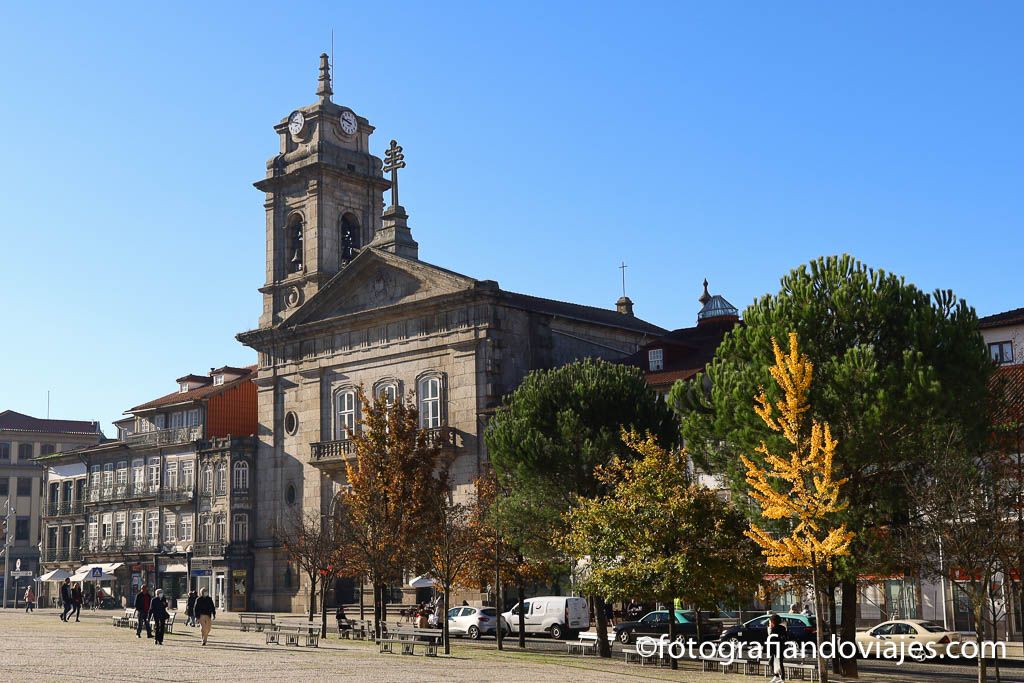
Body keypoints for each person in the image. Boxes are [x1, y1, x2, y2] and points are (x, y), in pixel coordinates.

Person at [767, 612, 788, 683]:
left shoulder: (777, 629)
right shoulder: (774, 629)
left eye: (770, 622)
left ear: (773, 622)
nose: (769, 623)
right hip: (774, 649)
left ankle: (782, 678)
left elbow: (773, 638)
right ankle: (776, 675)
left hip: (779, 648)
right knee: (771, 662)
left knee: (779, 662)